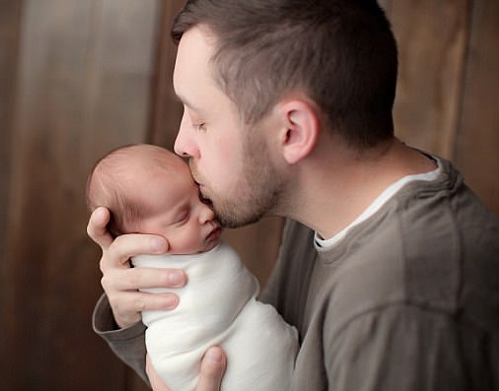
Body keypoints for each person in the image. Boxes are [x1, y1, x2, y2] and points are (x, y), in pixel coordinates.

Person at [88, 0, 499, 390]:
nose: (180, 144)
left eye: (200, 119)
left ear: (292, 132)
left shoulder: (403, 305)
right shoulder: (324, 211)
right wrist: (143, 311)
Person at [87, 144, 298, 391]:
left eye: (200, 197)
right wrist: (126, 321)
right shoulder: (156, 277)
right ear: (138, 240)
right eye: (182, 217)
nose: (207, 212)